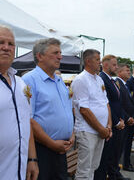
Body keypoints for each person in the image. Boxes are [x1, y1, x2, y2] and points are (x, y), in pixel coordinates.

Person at [22, 38, 74, 180]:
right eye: (55, 52)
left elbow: (67, 110)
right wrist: (51, 144)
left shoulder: (59, 81)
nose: (60, 56)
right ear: (40, 56)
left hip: (61, 149)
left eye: (60, 52)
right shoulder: (29, 80)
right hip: (42, 150)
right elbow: (28, 119)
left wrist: (72, 133)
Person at [0, 25, 39, 180]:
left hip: (20, 170)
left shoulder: (21, 83)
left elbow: (26, 122)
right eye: (1, 42)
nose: (6, 48)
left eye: (10, 44)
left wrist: (32, 159)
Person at [71, 49, 112, 180]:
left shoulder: (99, 80)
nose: (100, 63)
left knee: (93, 166)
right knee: (84, 170)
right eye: (97, 60)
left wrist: (109, 126)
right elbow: (84, 110)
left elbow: (105, 103)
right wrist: (102, 129)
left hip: (101, 131)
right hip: (87, 131)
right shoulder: (80, 80)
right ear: (88, 61)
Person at [94, 55, 129, 180]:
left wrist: (122, 118)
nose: (116, 67)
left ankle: (114, 174)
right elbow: (107, 103)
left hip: (118, 120)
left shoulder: (112, 80)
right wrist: (115, 121)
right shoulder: (102, 79)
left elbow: (118, 102)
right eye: (114, 64)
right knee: (107, 156)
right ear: (106, 65)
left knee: (115, 153)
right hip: (111, 123)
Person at [115, 64, 134, 172]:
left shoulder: (124, 84)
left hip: (129, 119)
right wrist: (127, 117)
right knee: (121, 146)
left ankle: (126, 165)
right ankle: (123, 166)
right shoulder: (118, 84)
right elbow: (120, 104)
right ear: (119, 72)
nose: (129, 72)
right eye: (127, 70)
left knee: (127, 144)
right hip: (124, 120)